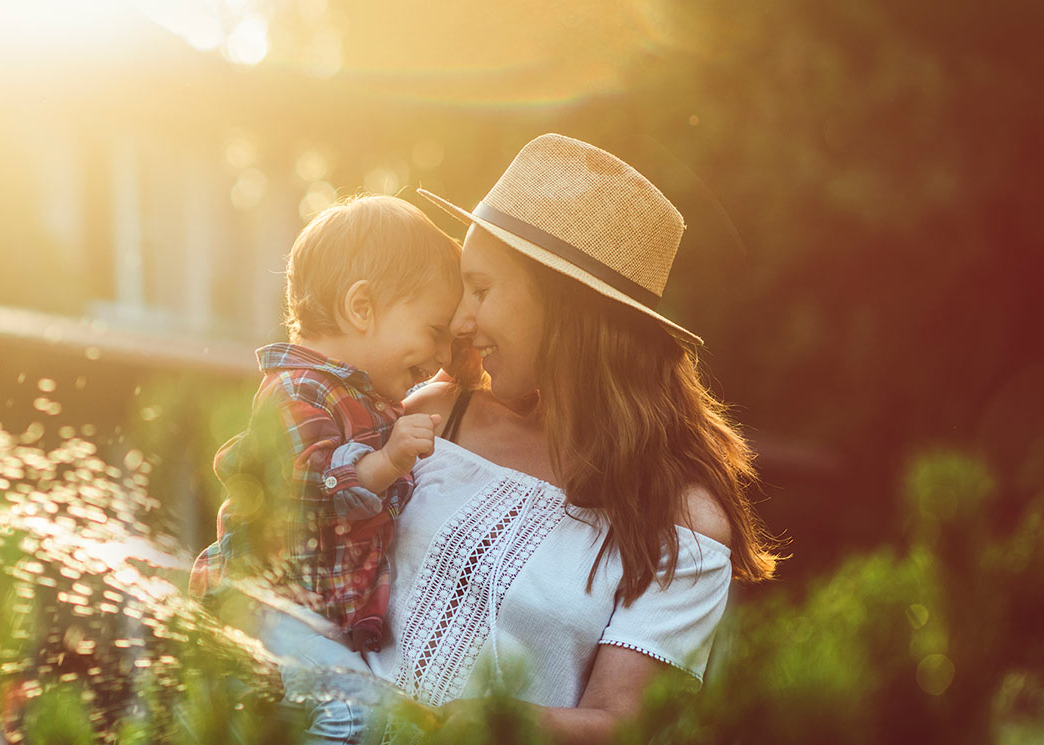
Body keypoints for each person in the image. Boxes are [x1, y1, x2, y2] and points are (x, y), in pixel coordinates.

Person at [363, 134, 781, 743]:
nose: (460, 321)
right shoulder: (430, 420)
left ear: (565, 308)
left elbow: (627, 725)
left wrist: (493, 725)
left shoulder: (682, 520)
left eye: (481, 290)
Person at [189, 194, 463, 743]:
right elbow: (312, 488)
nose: (440, 357)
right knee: (355, 713)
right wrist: (386, 461)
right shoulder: (297, 389)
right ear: (361, 308)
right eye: (434, 331)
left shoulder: (366, 396)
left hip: (307, 616)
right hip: (264, 606)